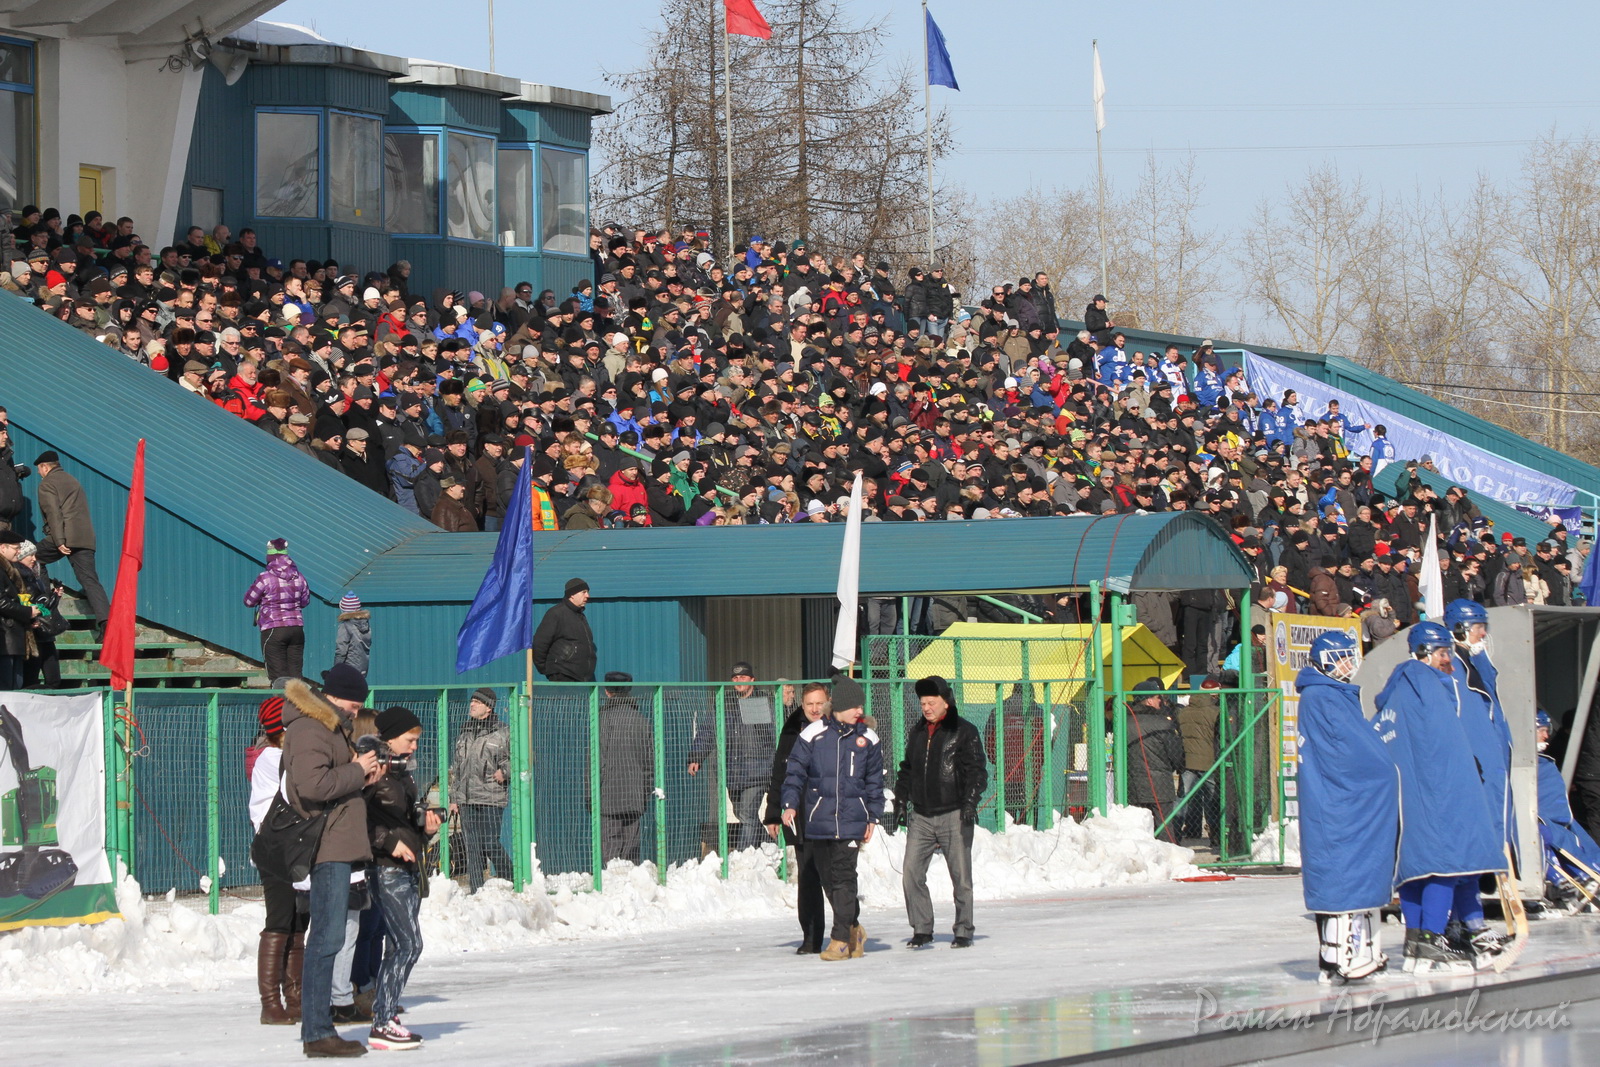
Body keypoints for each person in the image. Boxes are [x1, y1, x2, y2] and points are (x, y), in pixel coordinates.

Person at [1374, 622, 1506, 975]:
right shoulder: (1428, 686)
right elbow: (1444, 744)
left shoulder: (1399, 690)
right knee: (1446, 867)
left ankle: (1417, 942)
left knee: (1417, 871)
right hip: (1439, 795)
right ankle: (1433, 939)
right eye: (1443, 653)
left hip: (1413, 797)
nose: (1448, 660)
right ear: (1424, 653)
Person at [281, 664, 381, 1058]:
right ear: (334, 698)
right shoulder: (311, 728)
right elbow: (313, 785)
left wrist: (364, 778)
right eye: (354, 705)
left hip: (336, 842)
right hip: (325, 845)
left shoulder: (329, 727)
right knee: (326, 938)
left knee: (330, 937)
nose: (356, 712)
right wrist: (357, 769)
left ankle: (319, 1029)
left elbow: (335, 785)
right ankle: (318, 1031)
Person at [1295, 632, 1398, 983]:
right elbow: (1352, 751)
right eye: (1341, 657)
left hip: (1338, 799)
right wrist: (1385, 771)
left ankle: (1356, 950)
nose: (1349, 664)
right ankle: (1340, 954)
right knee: (1344, 874)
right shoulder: (1324, 697)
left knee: (1353, 874)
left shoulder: (1332, 694)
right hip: (1338, 802)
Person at [780, 675, 883, 962]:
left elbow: (875, 782)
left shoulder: (868, 739)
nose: (860, 711)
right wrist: (789, 805)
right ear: (840, 707)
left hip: (852, 820)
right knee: (829, 880)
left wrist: (873, 817)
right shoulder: (813, 734)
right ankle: (854, 930)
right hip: (820, 818)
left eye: (861, 706)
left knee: (844, 878)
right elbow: (795, 772)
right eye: (855, 706)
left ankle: (839, 940)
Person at [363, 706, 444, 1052]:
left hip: (407, 866)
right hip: (386, 867)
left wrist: (426, 826)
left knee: (398, 945)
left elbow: (407, 819)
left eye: (416, 740)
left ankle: (386, 1015)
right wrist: (388, 842)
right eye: (409, 740)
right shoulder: (374, 771)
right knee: (410, 944)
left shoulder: (403, 774)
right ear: (391, 738)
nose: (414, 746)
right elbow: (357, 819)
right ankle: (381, 1021)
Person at [894, 675, 987, 949]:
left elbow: (976, 771)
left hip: (954, 813)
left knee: (961, 877)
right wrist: (901, 799)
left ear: (946, 702)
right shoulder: (918, 732)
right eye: (923, 703)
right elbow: (907, 769)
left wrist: (969, 803)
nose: (926, 708)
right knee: (911, 873)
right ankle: (922, 928)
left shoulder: (964, 731)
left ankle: (964, 929)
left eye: (931, 703)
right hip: (922, 815)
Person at [248, 696, 306, 1026]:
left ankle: (295, 998)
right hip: (277, 849)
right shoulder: (273, 758)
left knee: (298, 924)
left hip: (294, 848)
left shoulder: (283, 756)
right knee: (280, 922)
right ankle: (270, 1003)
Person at [763, 682, 832, 953]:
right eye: (809, 704)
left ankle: (848, 928)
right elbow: (780, 772)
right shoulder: (793, 729)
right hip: (801, 814)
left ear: (828, 702)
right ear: (802, 705)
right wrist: (773, 812)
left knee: (834, 876)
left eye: (819, 703)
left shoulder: (838, 728)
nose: (815, 709)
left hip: (832, 814)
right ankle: (811, 937)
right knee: (808, 875)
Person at [687, 661, 776, 851]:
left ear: (752, 680)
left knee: (747, 813)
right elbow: (708, 731)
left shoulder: (760, 702)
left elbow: (771, 736)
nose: (739, 681)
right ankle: (771, 847)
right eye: (735, 678)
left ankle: (743, 856)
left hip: (756, 770)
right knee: (741, 812)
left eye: (743, 677)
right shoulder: (725, 702)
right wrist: (696, 756)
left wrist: (774, 765)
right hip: (733, 770)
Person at [33, 451, 110, 640]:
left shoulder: (47, 483)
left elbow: (53, 513)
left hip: (64, 536)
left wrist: (59, 541)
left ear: (45, 467)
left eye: (39, 470)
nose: (39, 473)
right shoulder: (72, 480)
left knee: (34, 559)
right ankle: (107, 626)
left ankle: (46, 610)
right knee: (90, 580)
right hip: (84, 537)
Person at [448, 688, 512, 892]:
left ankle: (510, 877)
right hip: (467, 798)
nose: (472, 704)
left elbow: (522, 758)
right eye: (472, 701)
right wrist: (454, 798)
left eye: (477, 702)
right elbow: (457, 767)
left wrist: (505, 771)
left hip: (491, 796)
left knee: (489, 843)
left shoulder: (503, 732)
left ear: (488, 707)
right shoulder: (465, 731)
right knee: (472, 846)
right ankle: (476, 889)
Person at [1535, 709, 1600, 908]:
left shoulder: (1546, 763)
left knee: (1577, 837)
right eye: (1542, 730)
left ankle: (1589, 873)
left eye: (1548, 730)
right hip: (1543, 824)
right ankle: (1570, 880)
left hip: (1561, 821)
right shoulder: (1527, 764)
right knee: (1548, 834)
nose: (1546, 735)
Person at [596, 671, 652, 863]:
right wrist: (645, 793)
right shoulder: (641, 720)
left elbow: (596, 761)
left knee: (610, 848)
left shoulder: (601, 719)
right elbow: (649, 763)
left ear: (607, 691)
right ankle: (630, 879)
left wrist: (590, 795)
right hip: (634, 795)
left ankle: (612, 880)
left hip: (608, 795)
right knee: (631, 847)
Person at [1125, 679, 1186, 843]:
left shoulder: (1124, 723)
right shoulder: (1163, 723)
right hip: (1160, 784)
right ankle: (1167, 853)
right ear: (1149, 700)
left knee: (1139, 826)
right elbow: (1176, 753)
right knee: (1164, 825)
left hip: (1132, 784)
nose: (1161, 701)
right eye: (1158, 697)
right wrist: (1177, 766)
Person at [244, 538, 311, 684]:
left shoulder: (265, 578)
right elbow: (305, 601)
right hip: (296, 628)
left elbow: (249, 601)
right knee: (296, 675)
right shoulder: (299, 577)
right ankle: (297, 698)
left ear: (270, 557)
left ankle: (280, 698)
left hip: (273, 628)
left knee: (278, 677)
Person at [532, 577, 596, 682]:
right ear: (572, 594)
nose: (587, 596)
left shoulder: (580, 616)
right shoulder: (556, 613)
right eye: (584, 592)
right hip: (563, 675)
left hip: (582, 678)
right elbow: (540, 643)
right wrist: (546, 669)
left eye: (587, 592)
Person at [0, 530, 39, 688]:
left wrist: (28, 618)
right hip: (5, 639)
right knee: (7, 687)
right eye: (16, 548)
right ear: (2, 547)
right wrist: (28, 612)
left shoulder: (10, 569)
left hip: (13, 637)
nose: (19, 552)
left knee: (15, 686)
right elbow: (1, 602)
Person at [333, 592, 371, 678]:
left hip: (348, 668)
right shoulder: (366, 625)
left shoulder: (345, 626)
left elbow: (341, 650)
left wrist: (335, 669)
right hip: (363, 667)